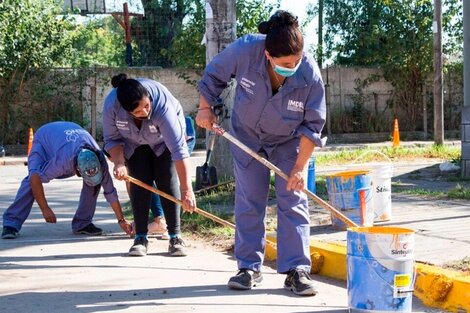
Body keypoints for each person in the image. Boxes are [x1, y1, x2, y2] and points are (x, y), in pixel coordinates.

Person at [196, 10, 326, 296]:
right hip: (248, 138)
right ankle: (248, 268)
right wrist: (205, 109)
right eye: (285, 64)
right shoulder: (245, 50)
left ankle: (296, 271)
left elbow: (312, 126)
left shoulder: (310, 75)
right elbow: (213, 75)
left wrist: (300, 168)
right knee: (249, 200)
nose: (293, 66)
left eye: (297, 60)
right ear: (268, 55)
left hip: (288, 141)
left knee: (293, 199)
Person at [103, 73, 196, 257]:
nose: (145, 112)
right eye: (138, 112)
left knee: (166, 180)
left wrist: (187, 190)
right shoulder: (112, 107)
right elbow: (112, 139)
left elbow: (178, 150)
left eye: (147, 106)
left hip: (164, 142)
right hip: (133, 143)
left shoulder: (162, 106)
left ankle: (175, 237)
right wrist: (119, 163)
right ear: (126, 110)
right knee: (140, 182)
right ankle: (140, 237)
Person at [1, 121, 133, 239]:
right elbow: (35, 179)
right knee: (31, 178)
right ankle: (11, 222)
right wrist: (45, 208)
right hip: (45, 138)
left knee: (94, 181)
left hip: (67, 134)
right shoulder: (62, 162)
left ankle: (82, 223)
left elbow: (111, 193)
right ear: (77, 170)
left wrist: (121, 220)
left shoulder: (99, 160)